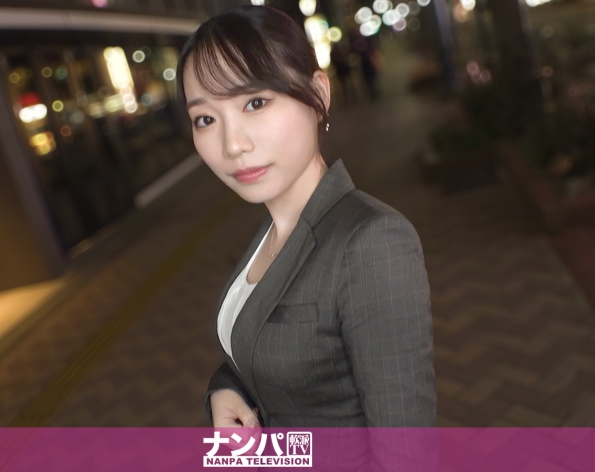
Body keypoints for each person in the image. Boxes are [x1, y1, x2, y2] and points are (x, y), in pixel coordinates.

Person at [176, 5, 435, 430]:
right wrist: (225, 388)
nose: (232, 144)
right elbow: (269, 352)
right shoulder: (272, 232)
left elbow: (405, 452)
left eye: (255, 102)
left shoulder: (372, 241)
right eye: (205, 119)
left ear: (318, 95)